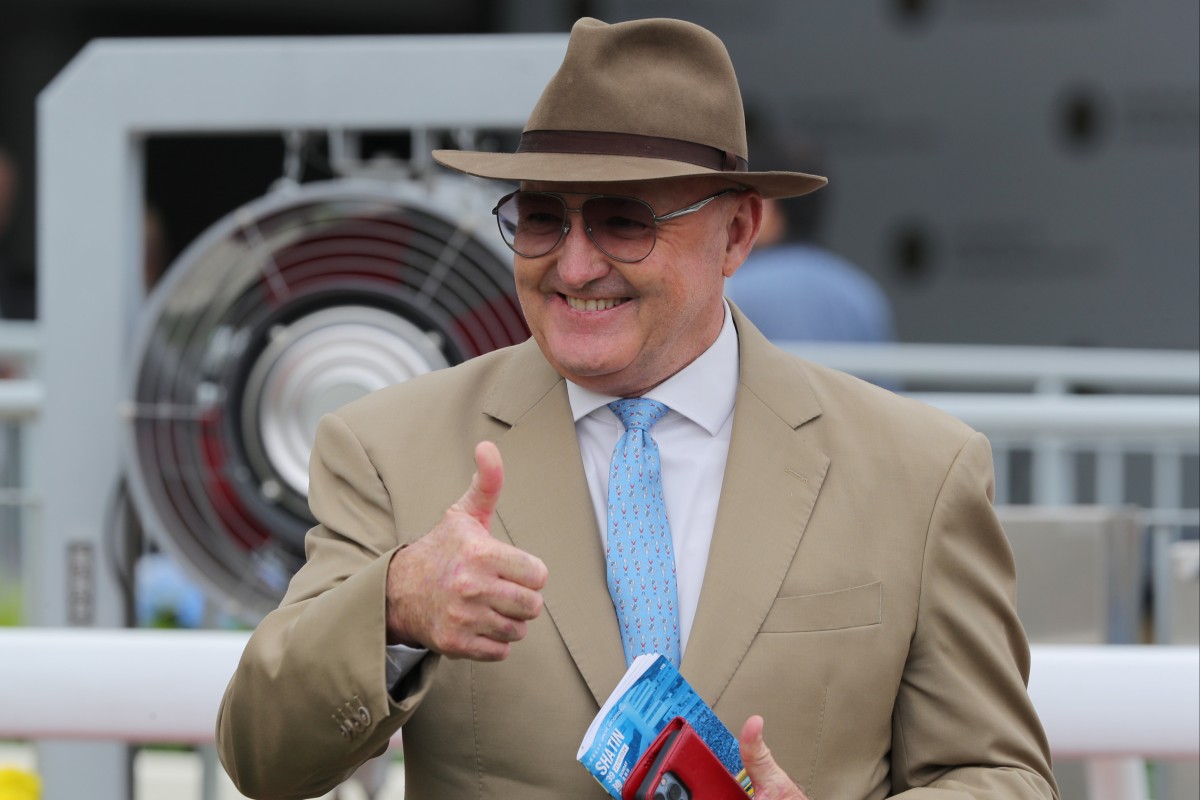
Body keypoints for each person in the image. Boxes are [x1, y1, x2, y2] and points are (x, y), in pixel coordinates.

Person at [217, 17, 1058, 800]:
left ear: (737, 234)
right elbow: (261, 757)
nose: (574, 267)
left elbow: (997, 772)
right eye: (541, 221)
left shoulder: (919, 470)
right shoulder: (388, 447)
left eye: (624, 223)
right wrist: (396, 607)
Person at [724, 134, 895, 344]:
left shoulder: (732, 291)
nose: (735, 216)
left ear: (766, 209)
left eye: (744, 203)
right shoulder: (861, 294)